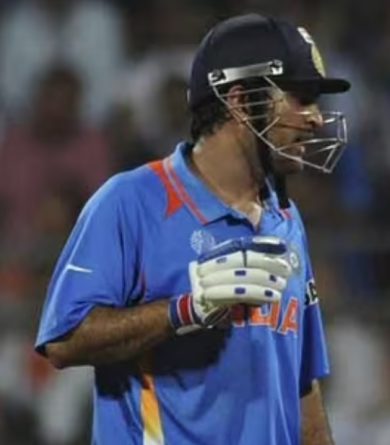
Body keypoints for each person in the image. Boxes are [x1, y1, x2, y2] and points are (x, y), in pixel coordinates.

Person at [34, 13, 350, 445]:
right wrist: (184, 311)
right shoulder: (130, 201)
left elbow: (303, 390)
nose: (315, 118)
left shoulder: (286, 219)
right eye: (301, 97)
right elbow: (64, 340)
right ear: (239, 101)